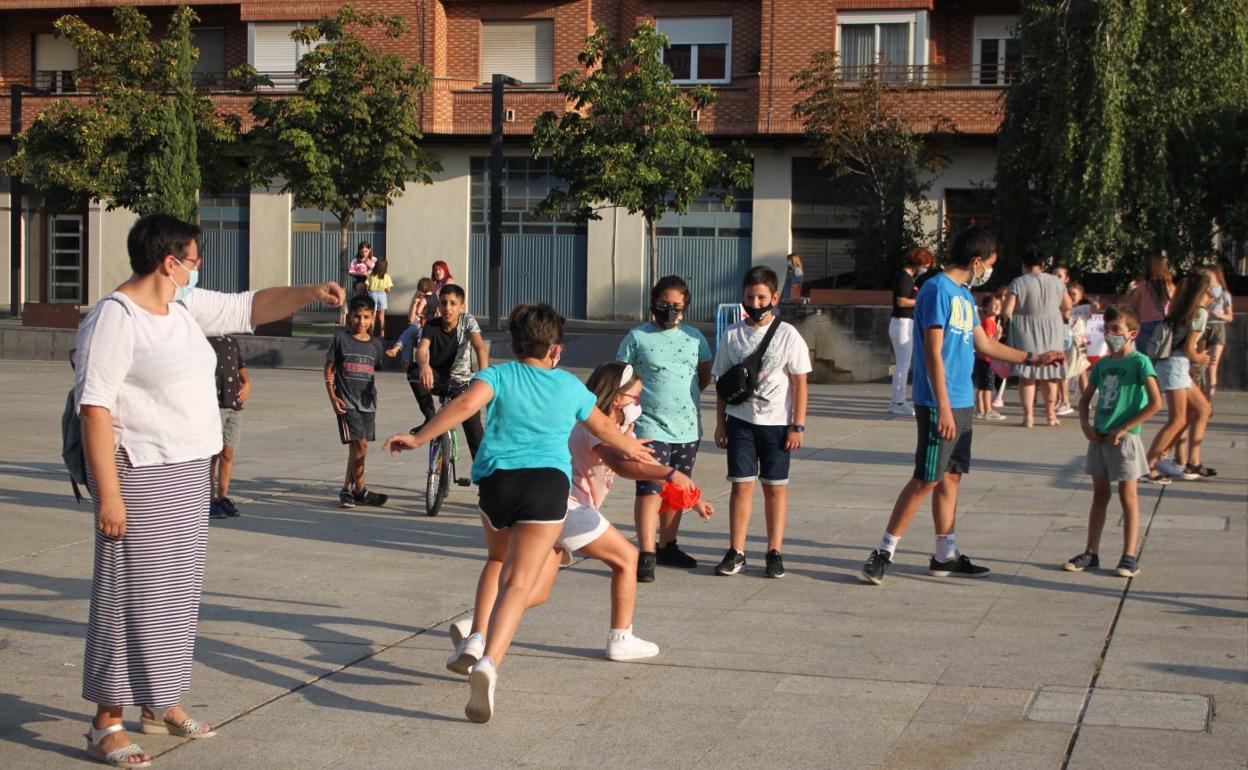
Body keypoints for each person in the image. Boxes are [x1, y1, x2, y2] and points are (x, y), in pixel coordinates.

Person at [74, 213, 344, 768]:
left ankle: (161, 700)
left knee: (174, 598)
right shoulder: (116, 319)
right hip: (140, 472)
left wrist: (311, 293)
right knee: (130, 597)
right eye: (193, 260)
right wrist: (109, 495)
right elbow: (94, 407)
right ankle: (106, 721)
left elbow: (250, 307)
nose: (199, 269)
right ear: (168, 263)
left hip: (189, 470)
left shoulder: (181, 306)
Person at [382, 304, 654, 724]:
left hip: (498, 484)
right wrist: (633, 447)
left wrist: (419, 437)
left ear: (513, 343)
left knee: (495, 560)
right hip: (547, 487)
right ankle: (489, 663)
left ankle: (474, 637)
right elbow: (602, 427)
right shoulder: (567, 386)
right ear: (556, 350)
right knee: (519, 583)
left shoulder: (498, 375)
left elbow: (464, 407)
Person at [444, 361, 715, 672]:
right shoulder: (595, 426)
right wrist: (669, 472)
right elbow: (625, 466)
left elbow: (634, 458)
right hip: (567, 507)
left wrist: (692, 498)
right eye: (636, 398)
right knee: (627, 558)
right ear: (617, 397)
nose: (639, 404)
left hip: (551, 508)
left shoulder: (612, 427)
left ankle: (475, 628)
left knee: (537, 591)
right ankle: (620, 638)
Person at [858, 225, 1064, 585]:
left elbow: (984, 345)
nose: (991, 271)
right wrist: (944, 407)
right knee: (926, 478)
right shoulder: (937, 290)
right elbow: (933, 352)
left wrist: (1034, 358)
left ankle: (945, 554)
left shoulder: (965, 296)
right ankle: (883, 552)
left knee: (951, 477)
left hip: (963, 400)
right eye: (991, 264)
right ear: (976, 261)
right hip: (941, 401)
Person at [712, 266, 812, 578]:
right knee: (741, 487)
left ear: (774, 297)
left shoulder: (788, 335)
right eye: (749, 297)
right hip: (740, 421)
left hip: (777, 425)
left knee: (774, 488)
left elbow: (800, 384)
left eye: (761, 297)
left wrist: (798, 425)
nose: (755, 303)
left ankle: (774, 551)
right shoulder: (732, 335)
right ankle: (736, 550)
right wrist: (720, 423)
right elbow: (723, 384)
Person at [616, 275, 713, 581]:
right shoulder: (637, 337)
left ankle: (667, 544)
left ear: (686, 308)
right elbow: (620, 377)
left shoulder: (695, 338)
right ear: (652, 302)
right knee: (649, 487)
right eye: (663, 305)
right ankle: (646, 553)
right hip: (648, 427)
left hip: (686, 427)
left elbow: (703, 376)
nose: (669, 311)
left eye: (677, 306)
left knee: (676, 489)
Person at [1064, 305, 1162, 578]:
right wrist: (1085, 425)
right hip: (1100, 436)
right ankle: (1091, 551)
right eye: (1107, 330)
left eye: (1116, 330)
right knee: (1100, 495)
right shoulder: (1104, 364)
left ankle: (1129, 555)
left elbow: (1156, 403)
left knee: (1128, 497)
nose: (1110, 335)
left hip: (1124, 440)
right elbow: (1085, 400)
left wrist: (1125, 427)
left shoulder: (1140, 362)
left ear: (1132, 333)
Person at [1145, 273, 1215, 483]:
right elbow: (1189, 349)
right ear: (1203, 292)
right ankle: (1148, 465)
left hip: (1172, 364)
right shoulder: (1199, 313)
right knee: (1177, 420)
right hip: (1176, 365)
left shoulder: (1180, 309)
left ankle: (1193, 461)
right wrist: (1201, 358)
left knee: (1202, 410)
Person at [410, 284, 489, 459]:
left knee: (475, 433)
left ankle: (486, 480)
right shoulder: (431, 326)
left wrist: (484, 377)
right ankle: (430, 417)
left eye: (453, 303)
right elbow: (421, 351)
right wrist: (424, 366)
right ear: (439, 306)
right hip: (437, 379)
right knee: (414, 371)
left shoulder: (468, 321)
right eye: (444, 303)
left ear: (462, 307)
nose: (448, 308)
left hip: (463, 384)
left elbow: (480, 347)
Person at [325, 294, 388, 509]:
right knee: (358, 443)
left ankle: (352, 490)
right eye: (357, 316)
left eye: (366, 317)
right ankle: (356, 490)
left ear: (372, 319)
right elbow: (329, 371)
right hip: (346, 402)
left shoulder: (376, 345)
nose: (361, 321)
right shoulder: (340, 340)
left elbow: (374, 370)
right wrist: (333, 397)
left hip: (368, 404)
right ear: (349, 316)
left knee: (359, 447)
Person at [1004, 247, 1071, 427]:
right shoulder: (1057, 282)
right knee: (1050, 374)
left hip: (1025, 328)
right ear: (1042, 265)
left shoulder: (1018, 282)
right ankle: (1050, 416)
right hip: (1052, 328)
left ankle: (1028, 417)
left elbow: (1006, 311)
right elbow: (1067, 306)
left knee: (1027, 375)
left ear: (1024, 265)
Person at [888, 247, 934, 416]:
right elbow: (901, 302)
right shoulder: (905, 278)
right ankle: (898, 402)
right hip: (902, 323)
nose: (926, 268)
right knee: (903, 365)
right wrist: (920, 300)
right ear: (918, 263)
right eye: (926, 265)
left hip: (904, 323)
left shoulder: (908, 278)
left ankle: (896, 400)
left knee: (903, 364)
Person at [207, 335, 249, 519]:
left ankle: (223, 497)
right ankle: (208, 499)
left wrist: (247, 383)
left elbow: (241, 366)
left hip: (234, 403)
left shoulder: (232, 341)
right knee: (212, 454)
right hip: (214, 403)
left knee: (228, 451)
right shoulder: (205, 339)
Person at [1129, 254, 1174, 352]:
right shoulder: (1170, 287)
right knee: (1161, 358)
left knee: (1146, 360)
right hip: (1164, 326)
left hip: (1145, 325)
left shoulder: (1144, 286)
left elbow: (1132, 306)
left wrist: (1130, 292)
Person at [1201, 264, 1233, 401]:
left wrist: (1220, 315)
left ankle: (1208, 399)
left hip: (1218, 327)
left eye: (1209, 277)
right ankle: (1200, 395)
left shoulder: (1225, 294)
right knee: (1200, 363)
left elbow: (1230, 316)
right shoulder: (1203, 294)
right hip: (1202, 327)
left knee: (1212, 365)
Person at [973, 294, 1006, 421]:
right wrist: (998, 336)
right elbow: (988, 342)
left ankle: (981, 410)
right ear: (986, 307)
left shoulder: (991, 322)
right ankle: (987, 410)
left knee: (984, 386)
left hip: (984, 359)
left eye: (999, 304)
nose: (997, 306)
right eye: (994, 304)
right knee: (987, 387)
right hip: (986, 359)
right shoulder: (988, 322)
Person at [365, 258, 393, 339]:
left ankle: (371, 333)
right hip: (382, 295)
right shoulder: (387, 277)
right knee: (381, 316)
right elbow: (388, 290)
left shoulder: (371, 275)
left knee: (373, 315)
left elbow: (367, 287)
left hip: (373, 294)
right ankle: (382, 334)